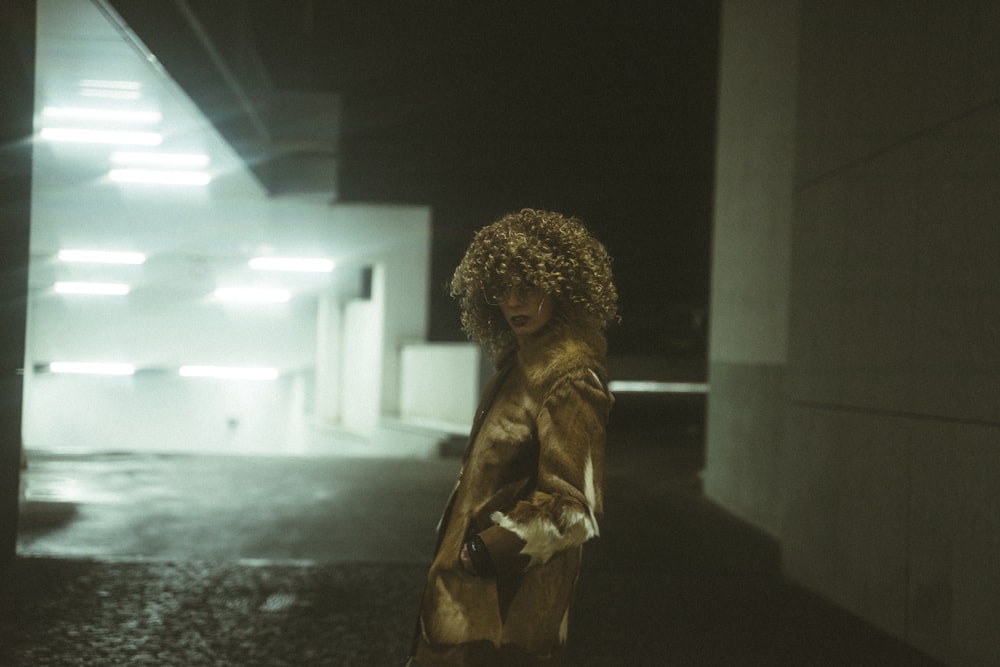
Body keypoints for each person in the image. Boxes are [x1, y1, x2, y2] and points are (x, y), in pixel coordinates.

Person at [408, 208, 618, 666]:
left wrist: (488, 552)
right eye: (502, 289)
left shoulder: (568, 377)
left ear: (561, 286)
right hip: (468, 601)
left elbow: (575, 506)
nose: (514, 302)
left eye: (529, 287)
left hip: (506, 615)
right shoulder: (519, 364)